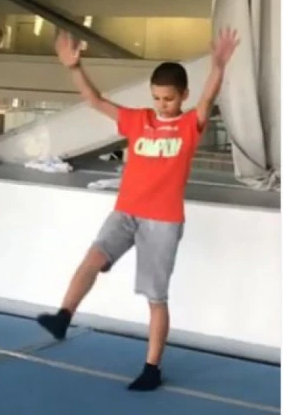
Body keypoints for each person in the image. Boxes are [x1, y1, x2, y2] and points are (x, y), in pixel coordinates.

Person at [36, 27, 239, 391]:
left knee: (155, 299)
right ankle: (63, 316)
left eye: (169, 99)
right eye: (157, 97)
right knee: (92, 259)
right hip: (126, 211)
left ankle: (152, 369)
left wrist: (219, 67)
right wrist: (74, 68)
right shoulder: (139, 119)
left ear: (183, 95)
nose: (162, 104)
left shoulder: (189, 125)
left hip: (162, 221)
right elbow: (95, 100)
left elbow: (209, 97)